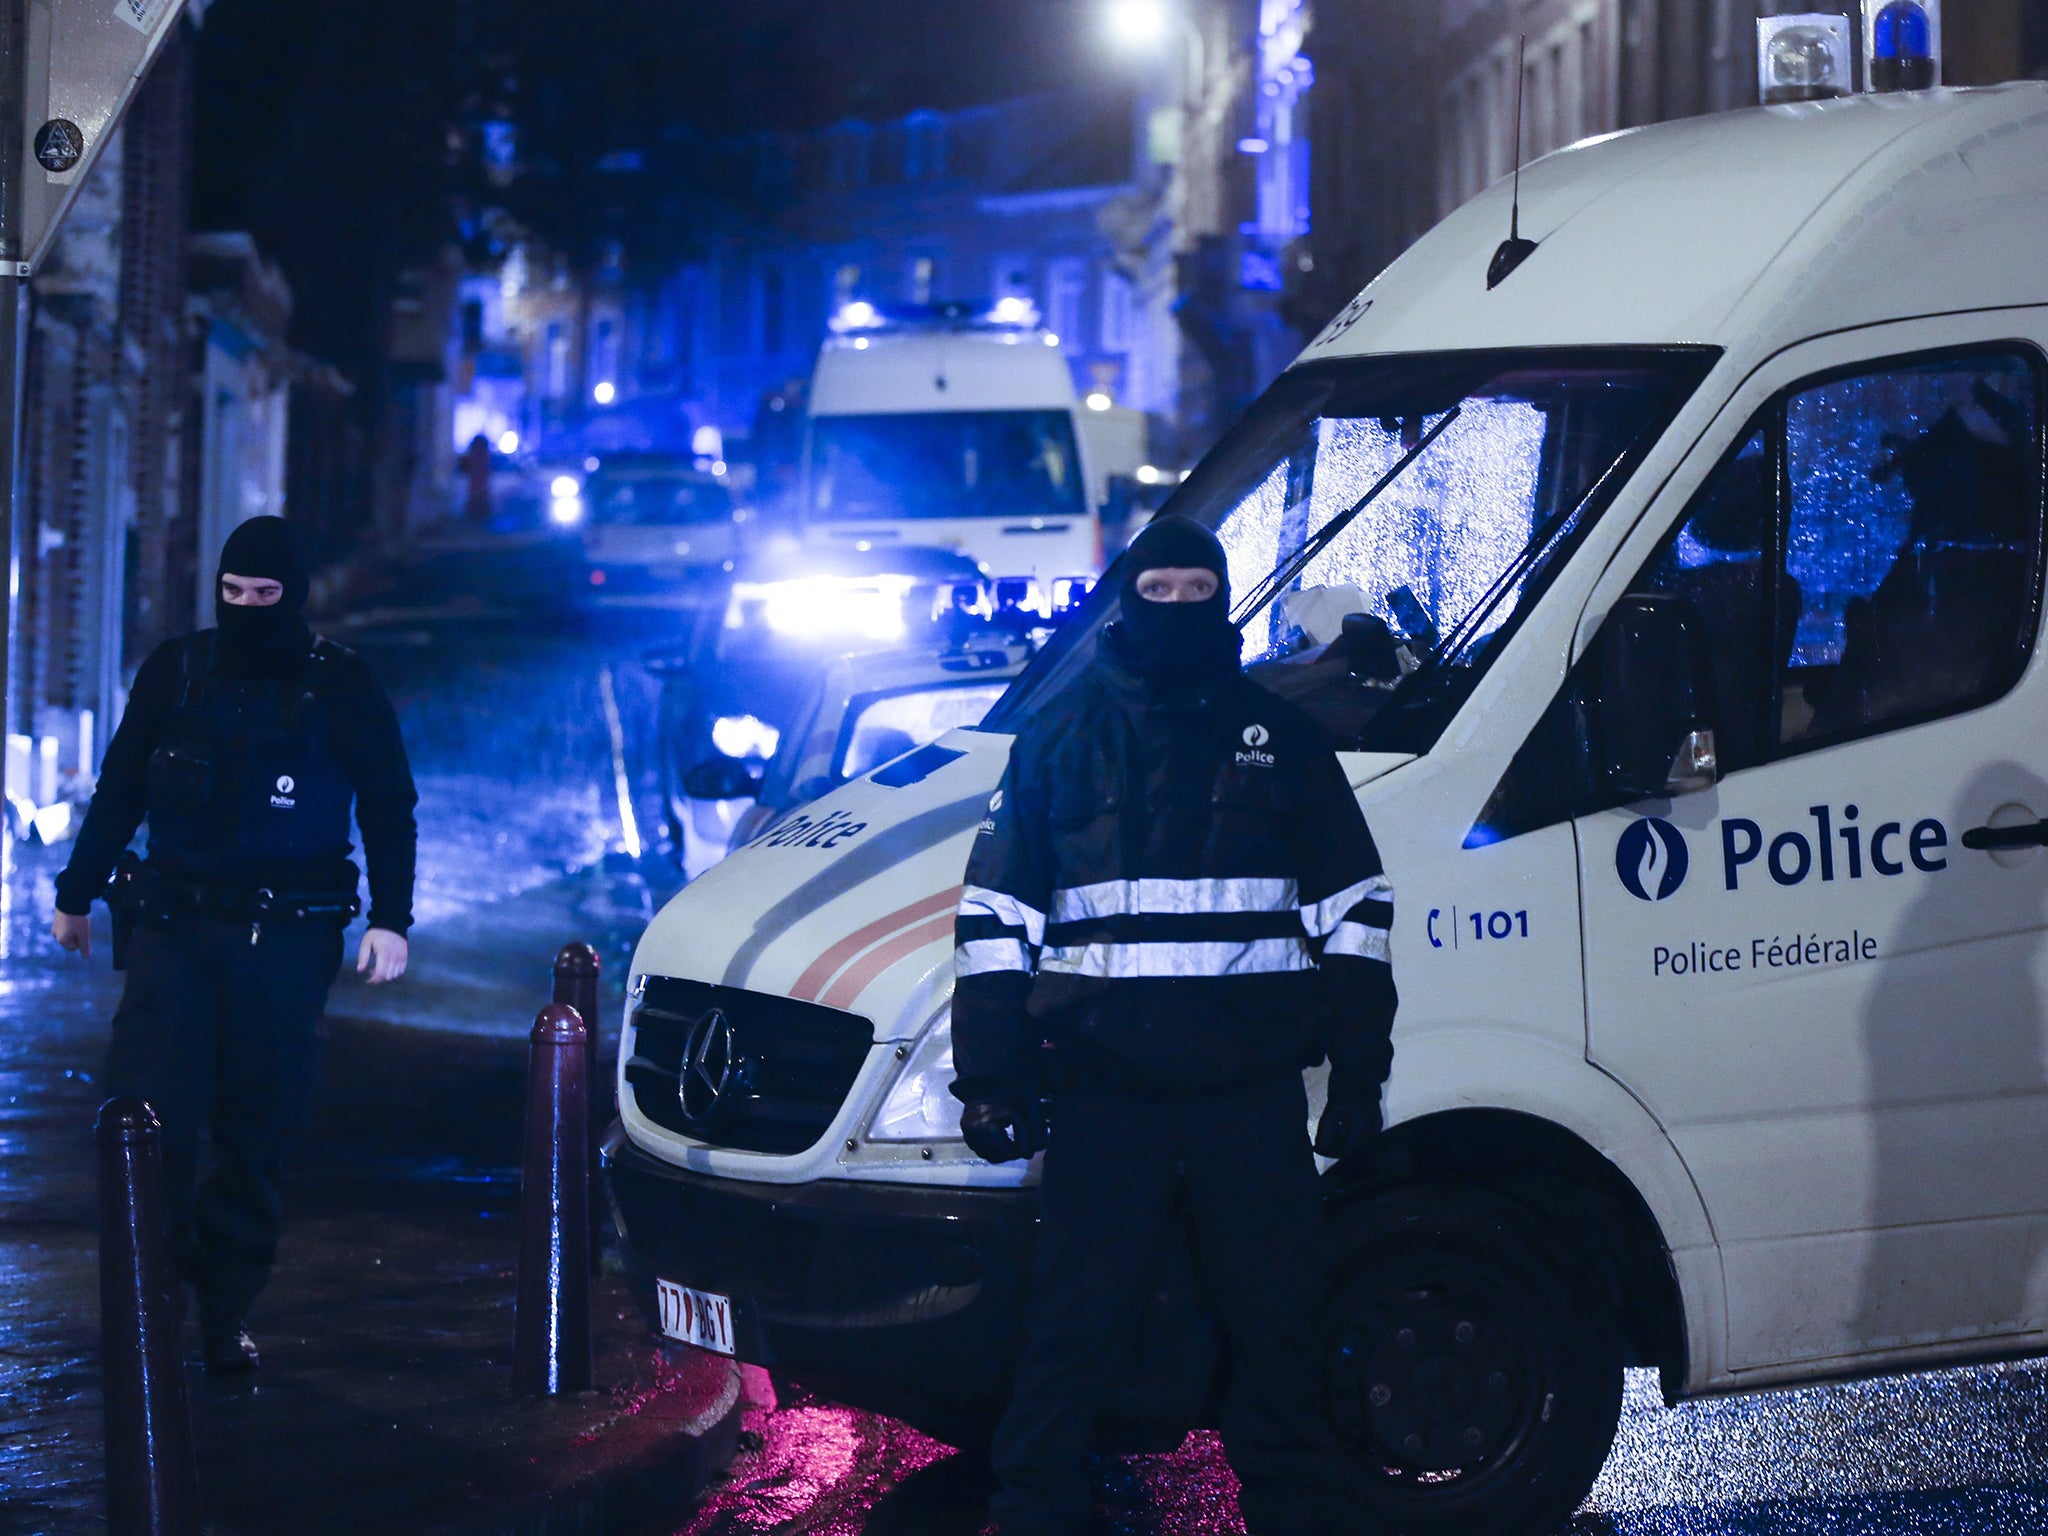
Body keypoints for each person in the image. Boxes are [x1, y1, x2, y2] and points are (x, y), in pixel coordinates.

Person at [952, 516, 1396, 1536]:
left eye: (1200, 591)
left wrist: (1360, 1073)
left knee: (1278, 1326)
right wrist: (989, 1079)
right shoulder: (1058, 739)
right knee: (1072, 1330)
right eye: (1161, 592)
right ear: (1125, 597)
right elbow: (993, 923)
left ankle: (1296, 1517)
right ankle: (1034, 1517)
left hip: (1246, 1100)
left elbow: (1354, 911)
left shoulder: (1277, 737)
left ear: (1223, 598)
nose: (1179, 610)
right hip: (1104, 1096)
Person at [52, 516, 418, 1374]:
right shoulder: (178, 671)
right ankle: (150, 1303)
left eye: (266, 596)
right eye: (234, 594)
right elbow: (120, 786)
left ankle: (224, 1307)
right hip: (176, 929)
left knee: (257, 1131)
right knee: (148, 1115)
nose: (248, 609)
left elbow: (388, 805)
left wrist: (392, 918)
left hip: (285, 939)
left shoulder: (342, 685)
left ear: (294, 596)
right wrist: (77, 894)